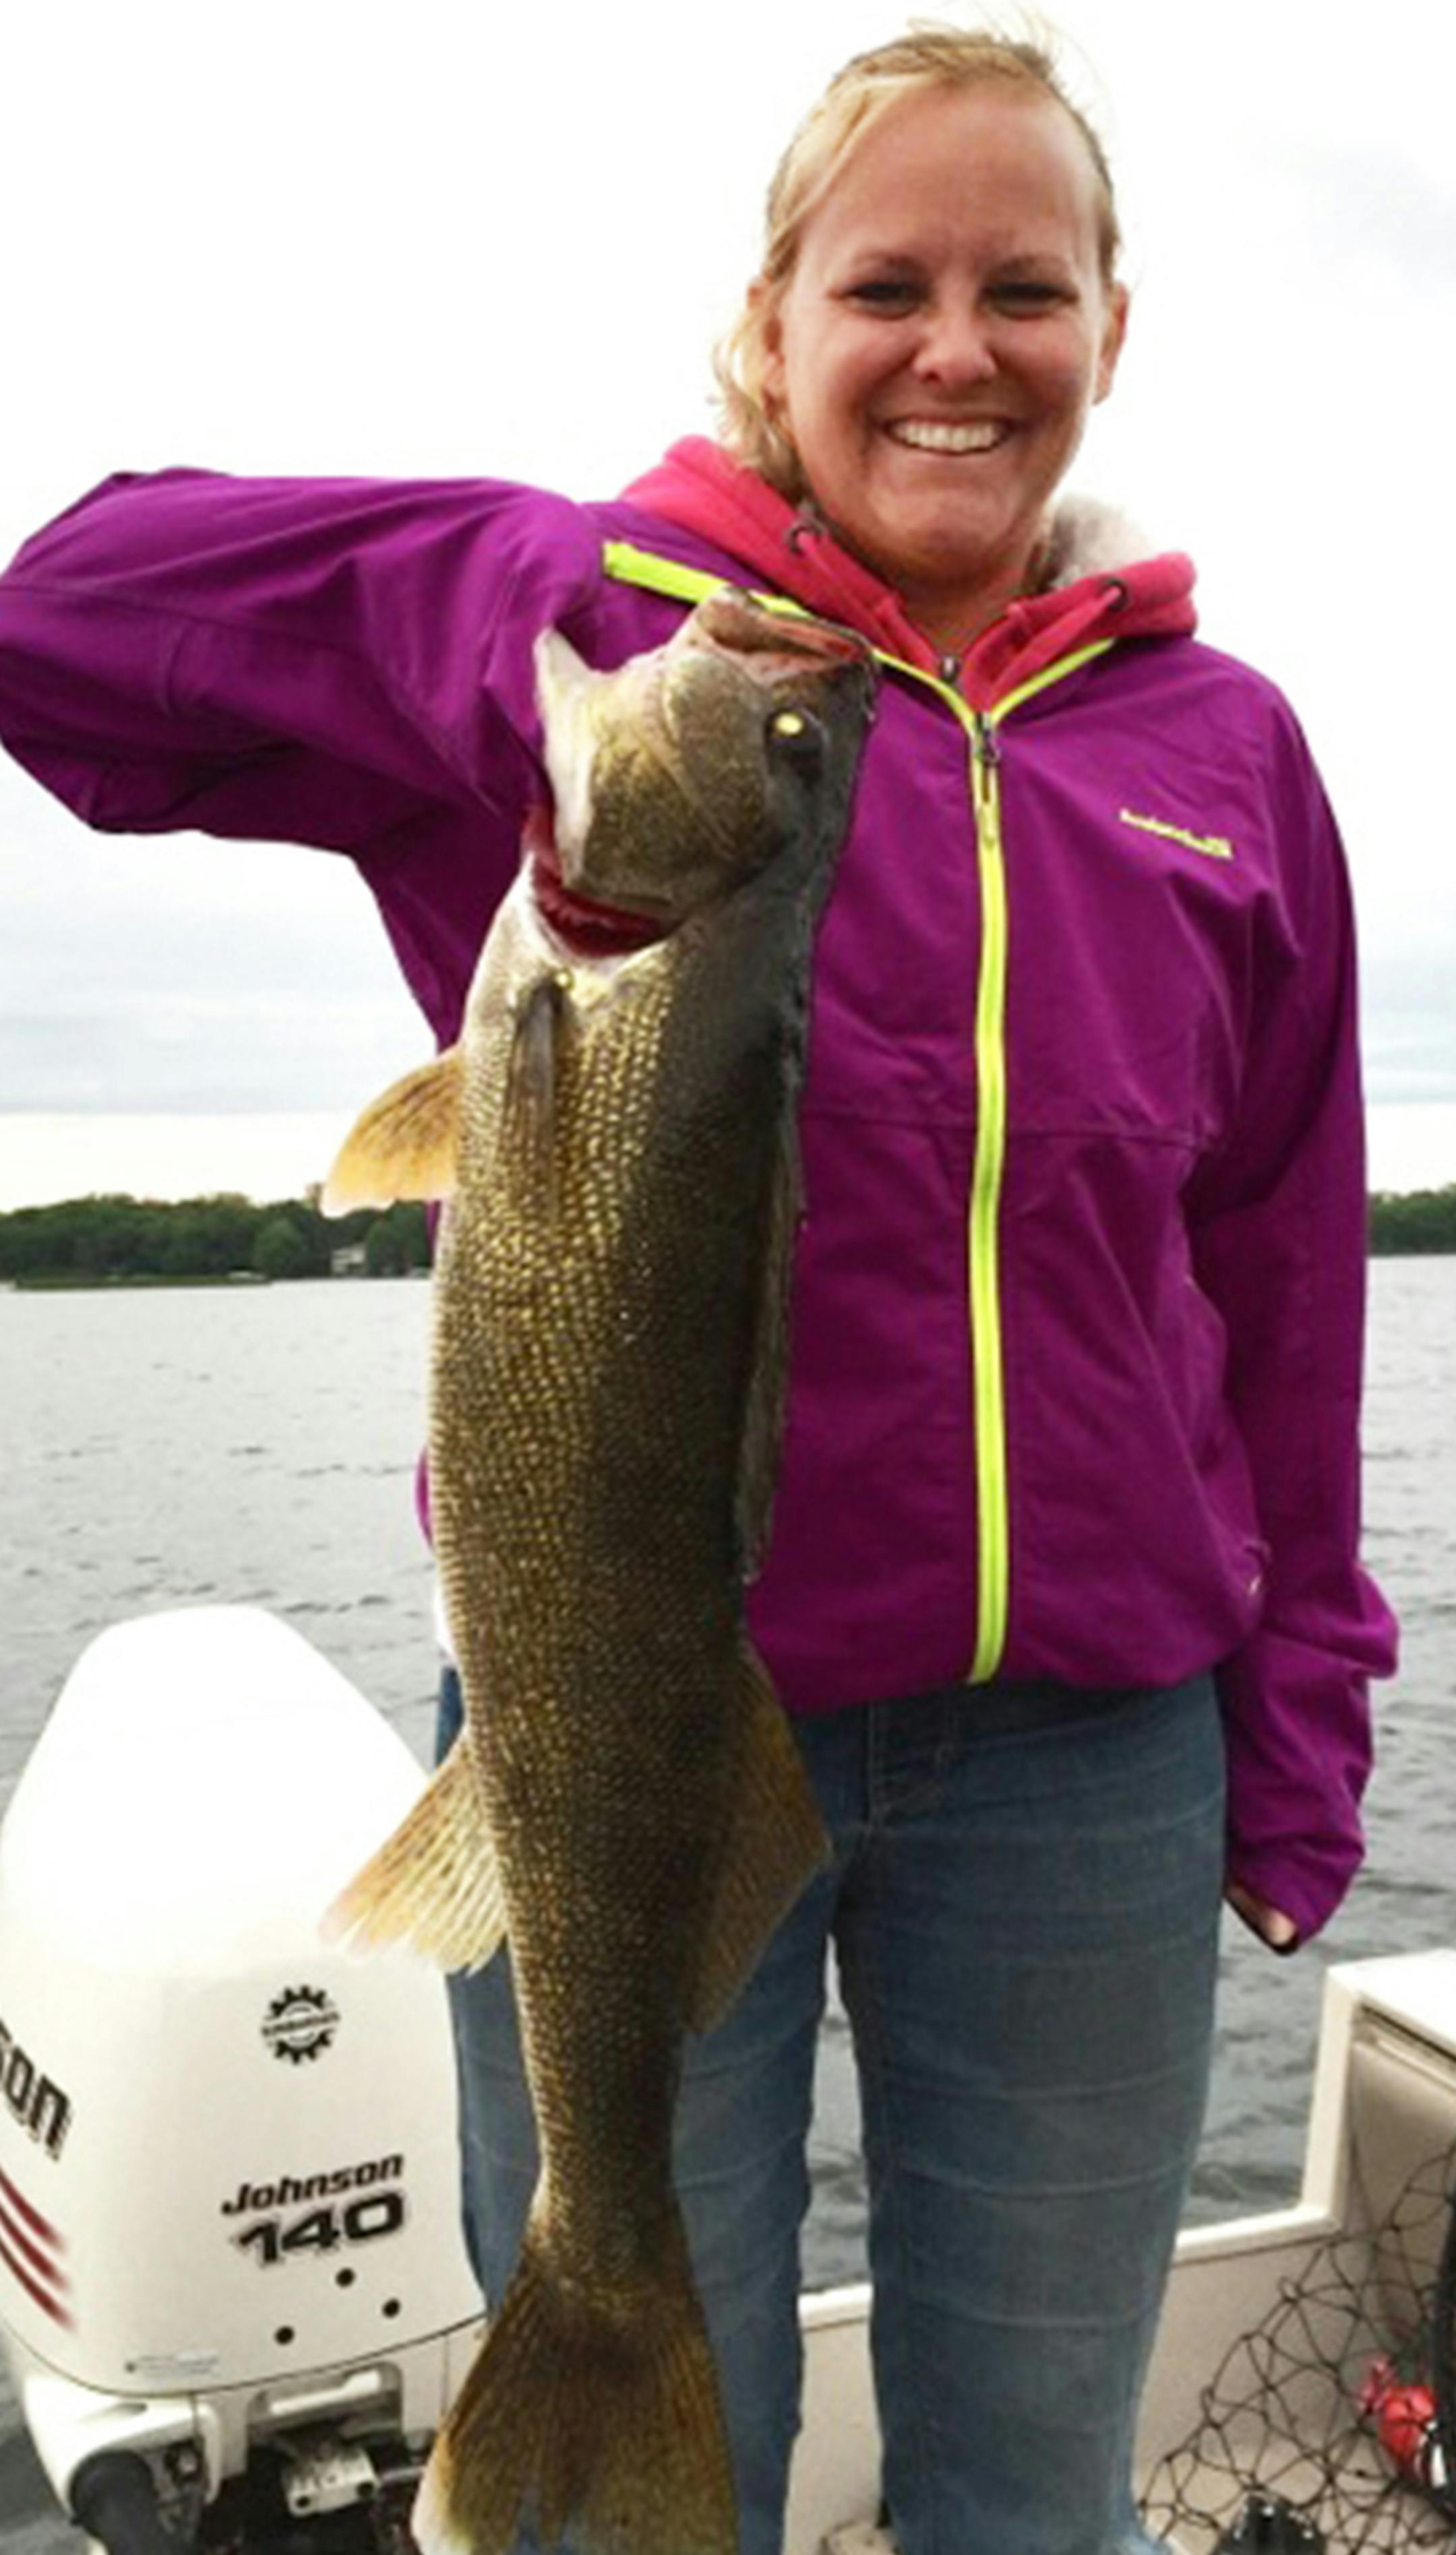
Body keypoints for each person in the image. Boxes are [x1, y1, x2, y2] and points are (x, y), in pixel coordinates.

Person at [0, 26, 1397, 2553]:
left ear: (1107, 328)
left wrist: (1296, 1736)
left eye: (1024, 286)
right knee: (638, 2470)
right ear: (771, 324)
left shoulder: (1228, 753)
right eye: (885, 285)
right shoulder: (605, 685)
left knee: (1037, 2482)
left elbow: (1285, 1290)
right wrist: (533, 590)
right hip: (610, 1714)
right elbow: (62, 628)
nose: (956, 346)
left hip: (1091, 1759)